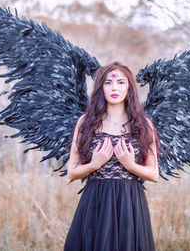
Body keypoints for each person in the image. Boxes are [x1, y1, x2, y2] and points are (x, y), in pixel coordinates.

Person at [64, 61, 160, 251]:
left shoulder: (143, 124)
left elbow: (153, 173)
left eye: (121, 83)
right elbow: (72, 172)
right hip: (95, 202)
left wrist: (131, 165)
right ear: (100, 87)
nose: (114, 87)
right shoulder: (86, 123)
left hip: (129, 203)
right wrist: (94, 164)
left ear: (129, 87)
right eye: (108, 83)